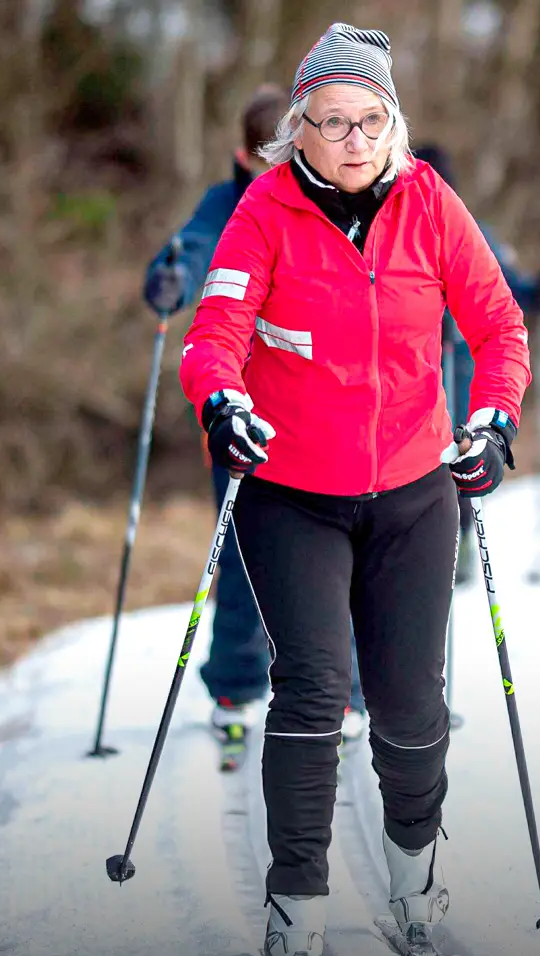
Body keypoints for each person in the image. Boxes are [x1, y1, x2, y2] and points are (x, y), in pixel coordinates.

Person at [177, 23, 531, 956]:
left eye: (369, 118)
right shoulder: (263, 210)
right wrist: (222, 399)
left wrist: (493, 419)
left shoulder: (429, 202)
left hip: (414, 490)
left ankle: (417, 893)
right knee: (316, 684)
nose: (351, 137)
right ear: (298, 130)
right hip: (293, 493)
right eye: (330, 121)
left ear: (393, 122)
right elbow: (216, 330)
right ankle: (297, 908)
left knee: (413, 703)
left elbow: (498, 324)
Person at [142, 86, 369, 750]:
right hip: (245, 413)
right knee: (246, 553)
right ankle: (238, 685)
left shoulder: (343, 198)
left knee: (341, 552)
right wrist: (171, 281)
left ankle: (346, 691)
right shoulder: (231, 203)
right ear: (245, 157)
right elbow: (192, 247)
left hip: (326, 410)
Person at [408, 143, 540, 583]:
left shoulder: (469, 229)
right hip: (420, 364)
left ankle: (462, 533)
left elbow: (503, 288)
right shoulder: (397, 227)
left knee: (462, 446)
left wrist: (537, 293)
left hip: (462, 360)